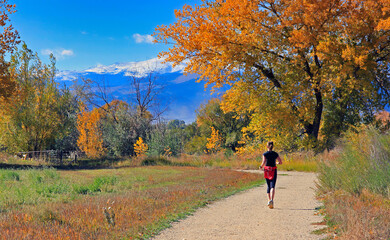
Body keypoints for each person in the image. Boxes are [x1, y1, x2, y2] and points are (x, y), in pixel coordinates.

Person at [260, 141, 282, 209]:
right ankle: (272, 200)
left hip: (267, 170)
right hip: (273, 170)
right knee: (273, 185)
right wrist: (277, 163)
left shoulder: (265, 154)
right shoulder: (275, 154)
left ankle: (269, 200)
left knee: (268, 185)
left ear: (267, 146)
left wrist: (260, 166)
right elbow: (280, 162)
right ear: (272, 146)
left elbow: (263, 162)